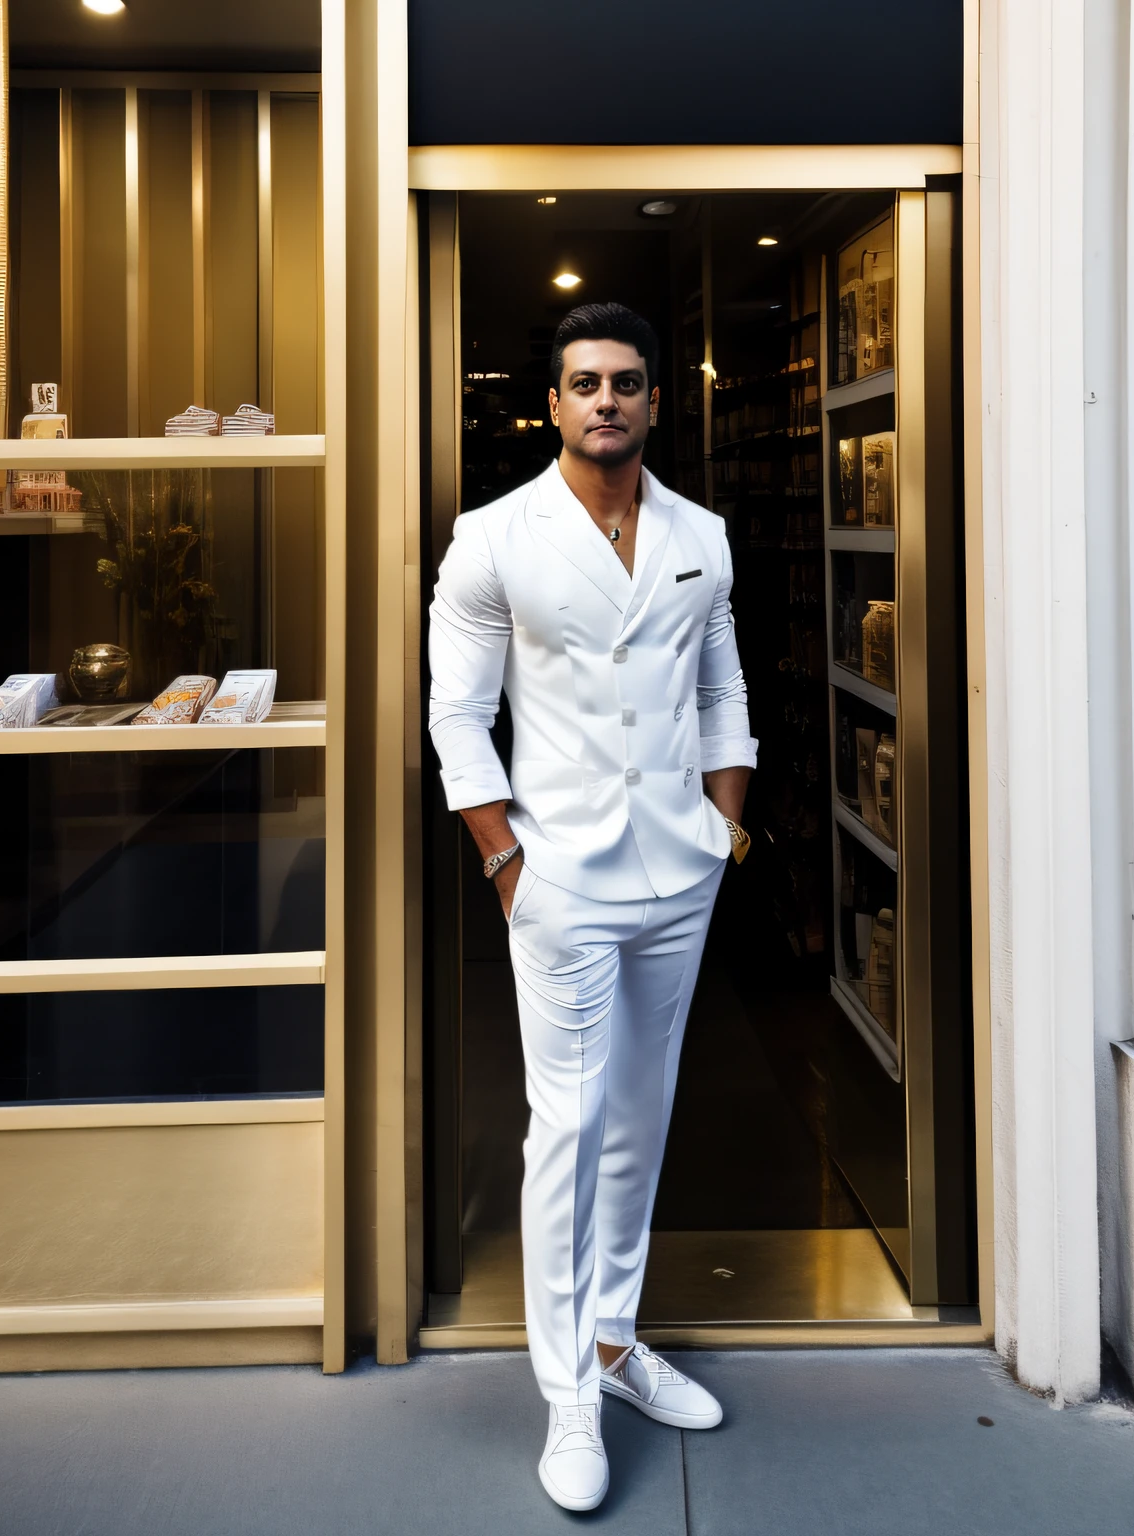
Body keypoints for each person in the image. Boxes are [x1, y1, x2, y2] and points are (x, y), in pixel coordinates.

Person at [428, 301, 755, 1511]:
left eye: (626, 381)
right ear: (553, 403)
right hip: (557, 873)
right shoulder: (494, 537)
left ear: (655, 401)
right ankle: (566, 1389)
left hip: (680, 871)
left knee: (641, 1113)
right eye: (583, 383)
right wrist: (505, 858)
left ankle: (616, 1344)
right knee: (563, 1123)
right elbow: (457, 712)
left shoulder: (702, 534)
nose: (606, 399)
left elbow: (719, 677)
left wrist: (729, 821)